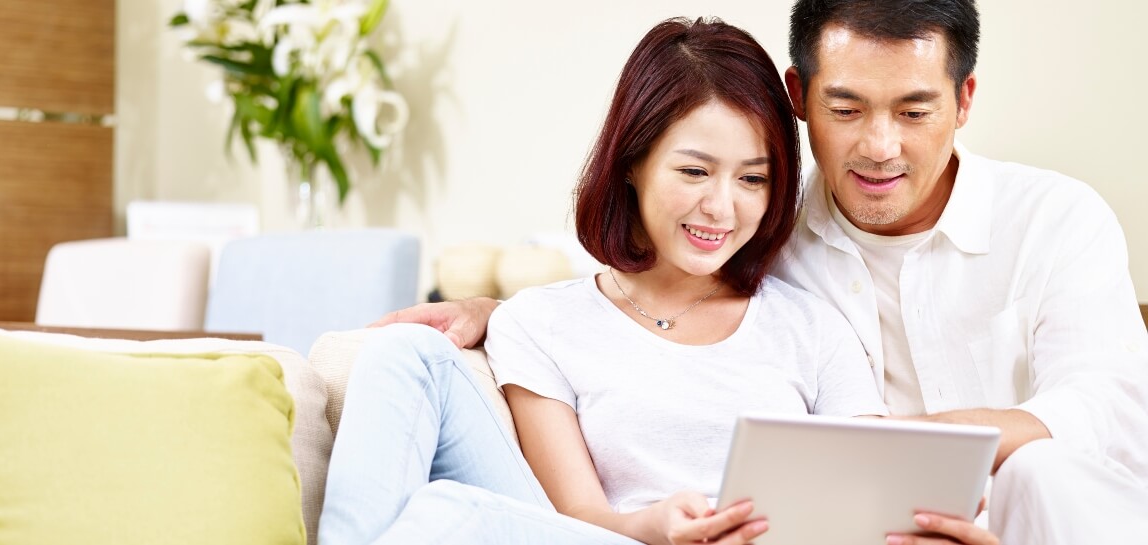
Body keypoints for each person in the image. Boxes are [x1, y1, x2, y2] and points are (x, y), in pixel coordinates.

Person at [374, 1, 1148, 543]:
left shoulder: (1054, 219)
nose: (880, 146)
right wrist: (489, 306)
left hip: (1039, 520)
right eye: (846, 109)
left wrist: (892, 451)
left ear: (963, 98)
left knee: (1041, 473)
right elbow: (635, 292)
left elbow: (1106, 408)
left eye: (913, 111)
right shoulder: (764, 231)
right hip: (848, 522)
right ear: (799, 97)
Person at [317, 16, 944, 545]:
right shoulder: (538, 324)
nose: (722, 208)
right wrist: (656, 525)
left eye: (752, 179)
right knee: (406, 355)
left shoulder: (811, 329)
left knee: (442, 516)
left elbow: (867, 514)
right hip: (616, 539)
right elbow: (576, 518)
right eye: (695, 172)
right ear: (632, 164)